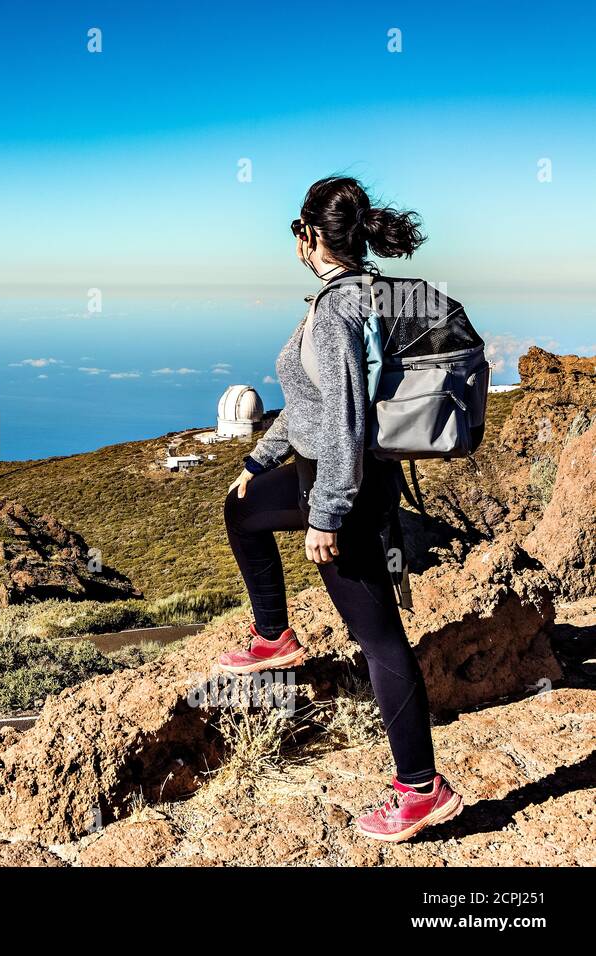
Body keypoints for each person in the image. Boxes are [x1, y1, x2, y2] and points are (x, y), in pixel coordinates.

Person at [218, 176, 463, 842]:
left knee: (378, 636)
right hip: (315, 473)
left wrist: (326, 513)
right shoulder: (351, 295)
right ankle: (274, 637)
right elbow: (309, 406)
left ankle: (420, 788)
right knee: (240, 511)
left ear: (309, 237)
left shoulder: (335, 311)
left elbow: (348, 419)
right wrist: (257, 463)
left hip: (340, 484)